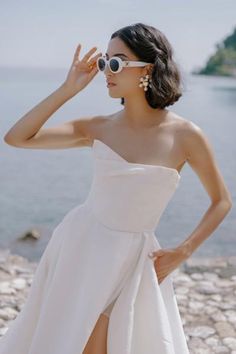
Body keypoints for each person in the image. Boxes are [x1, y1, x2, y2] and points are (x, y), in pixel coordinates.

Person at [2, 22, 232, 354]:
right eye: (104, 62)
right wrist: (68, 89)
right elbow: (17, 137)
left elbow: (221, 201)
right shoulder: (98, 127)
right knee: (71, 341)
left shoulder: (186, 135)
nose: (106, 71)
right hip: (80, 246)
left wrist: (184, 251)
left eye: (116, 62)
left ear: (148, 69)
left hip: (132, 259)